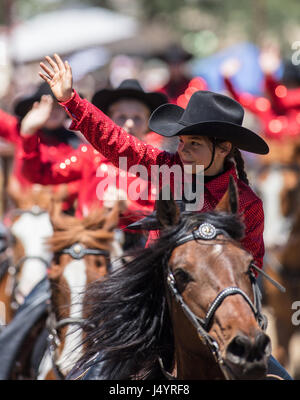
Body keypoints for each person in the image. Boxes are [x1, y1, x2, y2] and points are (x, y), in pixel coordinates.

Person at [37, 54, 292, 380]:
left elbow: (250, 267)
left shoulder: (248, 203)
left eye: (194, 144)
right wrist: (71, 100)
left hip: (221, 314)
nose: (182, 150)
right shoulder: (168, 168)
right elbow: (118, 144)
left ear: (225, 148)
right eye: (182, 141)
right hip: (155, 310)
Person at [20, 77, 168, 250]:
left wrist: (128, 207)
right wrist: (28, 133)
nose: (129, 123)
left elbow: (165, 218)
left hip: (136, 253)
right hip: (87, 251)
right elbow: (39, 174)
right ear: (109, 120)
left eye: (137, 118)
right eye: (121, 117)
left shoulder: (158, 163)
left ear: (148, 123)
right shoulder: (89, 156)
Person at [0, 83, 82, 213]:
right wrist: (29, 131)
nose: (54, 110)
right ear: (36, 107)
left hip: (60, 217)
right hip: (21, 214)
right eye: (49, 105)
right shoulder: (21, 130)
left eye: (59, 105)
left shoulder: (75, 144)